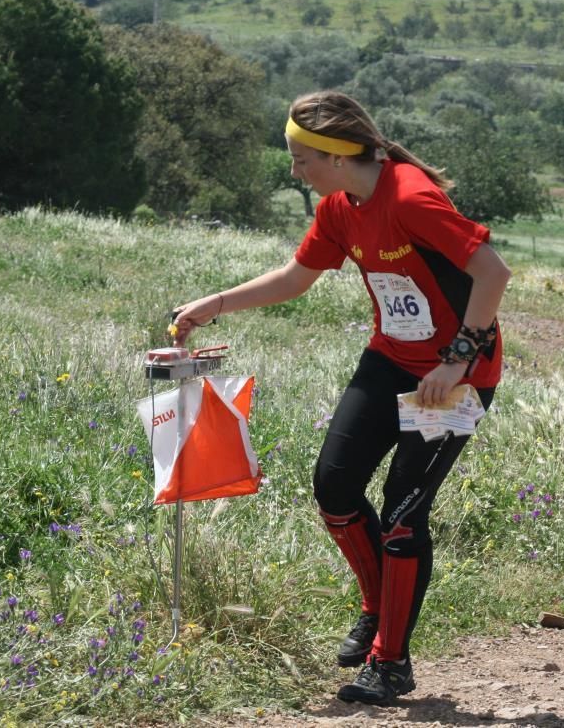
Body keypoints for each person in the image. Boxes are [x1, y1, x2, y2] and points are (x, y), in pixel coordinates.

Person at [171, 91, 511, 705]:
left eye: (301, 159)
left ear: (335, 155)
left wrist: (457, 360)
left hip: (456, 377)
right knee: (334, 486)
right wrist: (213, 304)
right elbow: (295, 278)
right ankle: (377, 607)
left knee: (403, 514)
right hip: (390, 361)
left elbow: (492, 272)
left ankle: (391, 663)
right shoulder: (338, 208)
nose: (294, 170)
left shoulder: (409, 197)